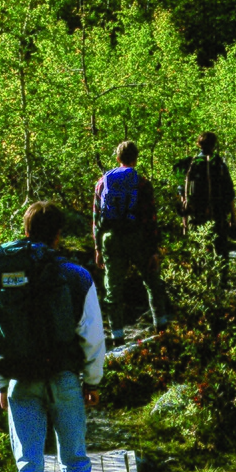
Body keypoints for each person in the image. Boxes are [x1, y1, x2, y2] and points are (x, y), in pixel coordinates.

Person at [0, 201, 106, 472]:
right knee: (73, 457)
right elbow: (92, 335)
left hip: (20, 381)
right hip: (65, 377)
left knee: (29, 463)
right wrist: (93, 379)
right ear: (58, 234)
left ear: (25, 230)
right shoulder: (76, 275)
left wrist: (0, 383)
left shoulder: (5, 272)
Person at [93, 140, 170, 347]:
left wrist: (97, 248)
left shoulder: (102, 182)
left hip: (110, 239)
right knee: (152, 282)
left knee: (113, 290)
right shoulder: (142, 183)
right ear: (136, 158)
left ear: (117, 159)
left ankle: (117, 336)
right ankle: (161, 328)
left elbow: (96, 217)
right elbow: (150, 218)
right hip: (137, 237)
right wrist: (153, 250)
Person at [181, 131, 236, 259]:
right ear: (214, 145)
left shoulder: (191, 164)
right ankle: (222, 276)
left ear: (199, 145)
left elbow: (182, 191)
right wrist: (233, 215)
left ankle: (199, 273)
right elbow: (229, 193)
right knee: (220, 251)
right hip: (218, 215)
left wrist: (185, 220)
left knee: (198, 249)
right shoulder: (220, 165)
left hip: (197, 215)